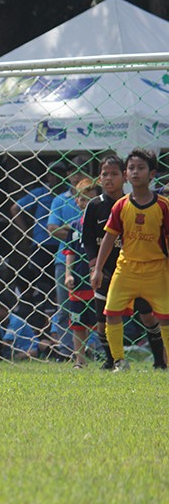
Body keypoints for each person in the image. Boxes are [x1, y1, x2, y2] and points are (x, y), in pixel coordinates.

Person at [82, 155, 165, 370]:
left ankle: (161, 362)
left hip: (147, 269)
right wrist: (96, 267)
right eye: (105, 174)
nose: (109, 178)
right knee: (107, 316)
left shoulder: (156, 205)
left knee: (154, 316)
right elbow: (97, 239)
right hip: (117, 270)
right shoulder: (103, 206)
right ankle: (115, 361)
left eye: (114, 173)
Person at [10, 169, 57, 316]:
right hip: (41, 243)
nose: (56, 177)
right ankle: (43, 313)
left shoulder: (69, 193)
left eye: (60, 173)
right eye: (53, 174)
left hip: (62, 242)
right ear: (48, 176)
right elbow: (15, 208)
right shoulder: (40, 193)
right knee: (42, 280)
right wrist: (25, 232)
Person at [62, 179, 98, 367]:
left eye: (90, 199)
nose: (86, 203)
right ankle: (80, 360)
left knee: (102, 322)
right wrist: (68, 274)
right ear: (76, 201)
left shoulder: (104, 224)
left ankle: (109, 357)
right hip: (79, 281)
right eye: (82, 199)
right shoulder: (75, 226)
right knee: (77, 324)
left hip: (98, 280)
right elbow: (70, 252)